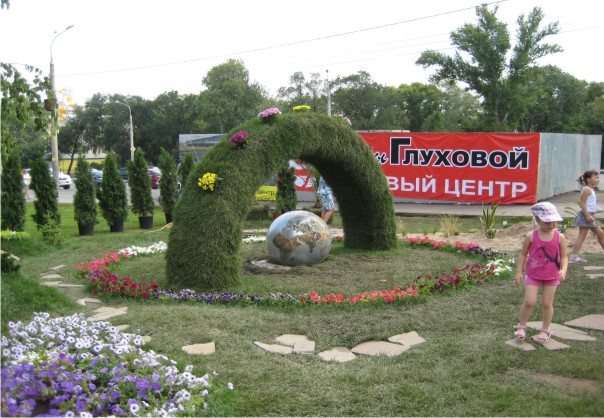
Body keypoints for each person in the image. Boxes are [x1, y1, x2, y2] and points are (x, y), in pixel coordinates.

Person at [513, 202, 568, 343]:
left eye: (553, 221)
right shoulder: (531, 236)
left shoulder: (559, 237)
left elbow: (564, 257)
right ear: (537, 219)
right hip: (533, 275)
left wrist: (563, 269)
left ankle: (545, 329)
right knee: (529, 301)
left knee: (547, 303)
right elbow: (523, 255)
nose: (551, 224)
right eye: (547, 222)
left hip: (552, 276)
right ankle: (522, 326)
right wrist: (519, 272)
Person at [569, 170, 604, 262]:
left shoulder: (590, 189)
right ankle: (573, 256)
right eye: (596, 177)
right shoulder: (586, 190)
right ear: (588, 179)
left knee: (600, 234)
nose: (598, 179)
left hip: (589, 215)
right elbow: (582, 203)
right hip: (586, 215)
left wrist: (590, 215)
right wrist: (588, 215)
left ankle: (574, 256)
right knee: (582, 236)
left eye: (598, 177)